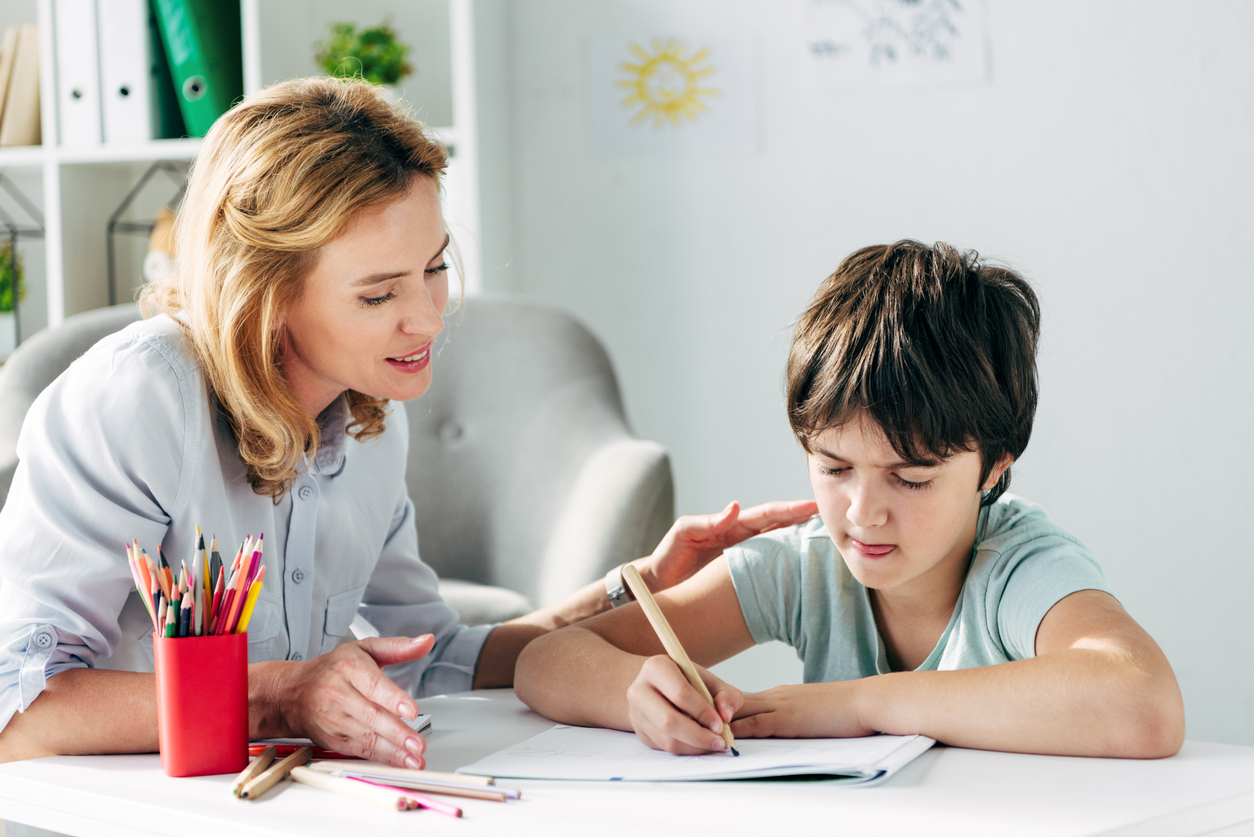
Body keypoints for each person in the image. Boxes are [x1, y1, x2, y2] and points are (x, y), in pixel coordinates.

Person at [0, 77, 816, 768]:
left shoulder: (371, 420)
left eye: (434, 270)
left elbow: (432, 658)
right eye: (379, 293)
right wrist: (284, 693)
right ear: (266, 291)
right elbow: (19, 708)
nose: (428, 321)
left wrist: (630, 591)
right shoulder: (135, 399)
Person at [515, 241, 1186, 759]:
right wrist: (635, 694)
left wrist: (860, 702)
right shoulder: (805, 563)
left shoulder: (1018, 565)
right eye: (834, 467)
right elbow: (544, 660)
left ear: (993, 467)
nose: (864, 512)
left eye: (911, 477)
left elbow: (1143, 701)